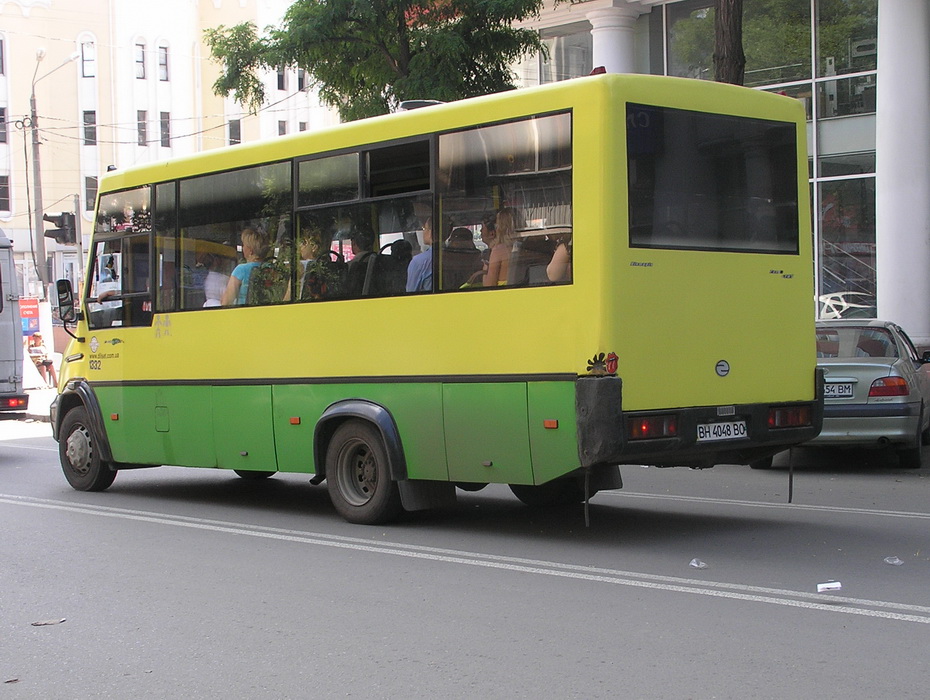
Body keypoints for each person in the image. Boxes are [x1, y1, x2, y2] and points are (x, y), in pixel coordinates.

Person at [221, 228, 270, 306]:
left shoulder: (241, 270)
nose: (242, 248)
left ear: (250, 250)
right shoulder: (272, 268)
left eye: (243, 245)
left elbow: (226, 302)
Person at [483, 207, 523, 287]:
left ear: (501, 227)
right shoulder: (526, 247)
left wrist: (485, 270)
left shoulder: (499, 250)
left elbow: (489, 285)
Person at [406, 218, 433, 292]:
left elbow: (411, 293)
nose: (423, 232)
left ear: (430, 232)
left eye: (424, 228)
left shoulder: (419, 261)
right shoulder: (457, 257)